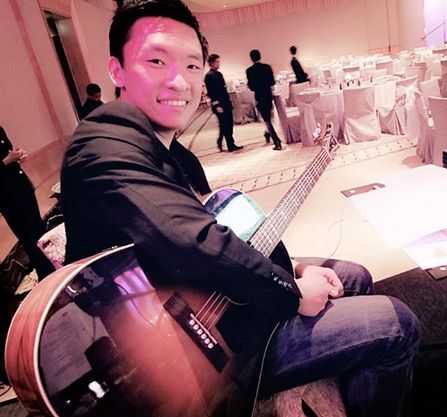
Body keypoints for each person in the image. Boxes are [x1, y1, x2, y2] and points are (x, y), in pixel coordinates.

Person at [60, 1, 420, 416]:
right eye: (156, 61)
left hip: (203, 299)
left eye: (192, 65)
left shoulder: (173, 153)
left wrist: (294, 267)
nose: (179, 80)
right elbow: (196, 240)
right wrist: (291, 292)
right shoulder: (103, 143)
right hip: (177, 357)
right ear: (117, 70)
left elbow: (207, 235)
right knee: (398, 324)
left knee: (354, 275)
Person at [0, 126, 54, 279]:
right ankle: (47, 275)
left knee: (38, 229)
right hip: (6, 195)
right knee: (29, 237)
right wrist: (7, 160)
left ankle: (53, 267)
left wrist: (16, 156)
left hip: (20, 184)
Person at [204, 54, 243, 152]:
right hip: (219, 105)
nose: (219, 64)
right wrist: (217, 105)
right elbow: (211, 92)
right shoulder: (209, 76)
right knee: (226, 124)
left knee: (226, 124)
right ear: (212, 63)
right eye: (217, 62)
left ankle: (221, 141)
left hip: (225, 102)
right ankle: (230, 144)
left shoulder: (218, 74)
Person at [246, 49, 283, 150]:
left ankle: (277, 142)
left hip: (259, 97)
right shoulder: (267, 67)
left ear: (251, 58)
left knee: (267, 120)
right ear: (260, 56)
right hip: (268, 95)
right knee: (268, 118)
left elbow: (251, 87)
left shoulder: (249, 71)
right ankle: (267, 133)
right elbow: (272, 82)